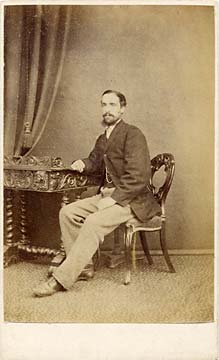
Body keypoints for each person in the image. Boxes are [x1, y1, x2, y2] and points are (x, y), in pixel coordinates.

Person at [33, 89, 161, 297]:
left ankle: (61, 279)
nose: (107, 110)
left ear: (122, 109)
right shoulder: (103, 138)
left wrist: (113, 200)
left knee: (93, 222)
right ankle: (83, 267)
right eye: (104, 105)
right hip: (107, 195)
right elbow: (95, 162)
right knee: (67, 213)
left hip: (132, 200)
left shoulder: (133, 134)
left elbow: (139, 176)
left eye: (112, 105)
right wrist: (82, 164)